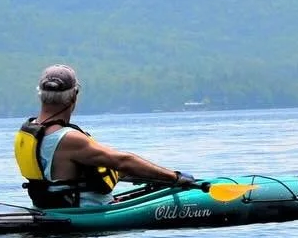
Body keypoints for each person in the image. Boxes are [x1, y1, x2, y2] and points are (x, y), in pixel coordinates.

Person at [14, 63, 198, 208]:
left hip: (48, 207)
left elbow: (107, 171)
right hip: (84, 213)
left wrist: (151, 177)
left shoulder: (28, 132)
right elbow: (123, 161)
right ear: (74, 96)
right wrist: (174, 177)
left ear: (41, 95)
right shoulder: (69, 139)